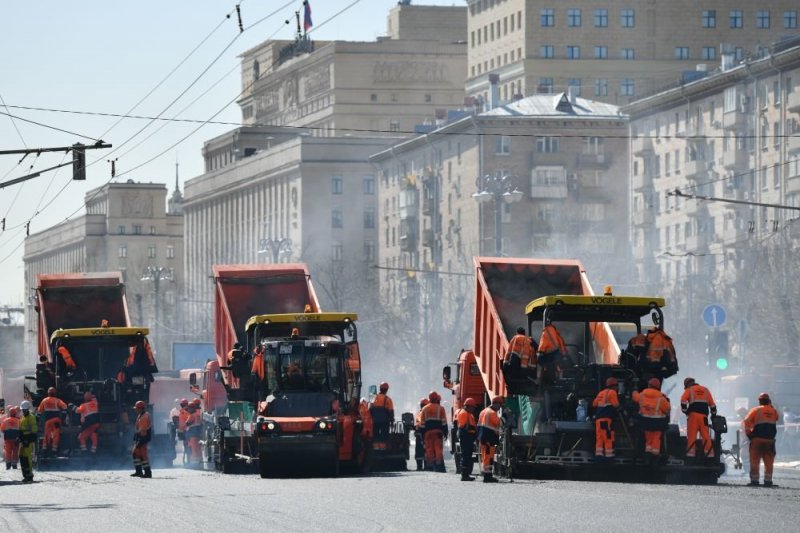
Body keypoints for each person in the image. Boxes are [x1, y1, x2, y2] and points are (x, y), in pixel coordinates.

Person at [743, 392, 779, 487]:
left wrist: (749, 434)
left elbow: (746, 421)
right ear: (769, 401)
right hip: (770, 441)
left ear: (759, 401)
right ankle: (768, 481)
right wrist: (770, 406)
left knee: (755, 461)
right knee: (769, 462)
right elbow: (777, 418)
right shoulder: (773, 411)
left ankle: (754, 481)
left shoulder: (755, 410)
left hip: (757, 440)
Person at [632, 378, 671, 465]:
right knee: (656, 440)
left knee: (648, 440)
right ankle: (654, 458)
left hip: (645, 423)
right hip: (658, 423)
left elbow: (635, 397)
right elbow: (667, 409)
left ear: (649, 385)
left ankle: (647, 457)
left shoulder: (642, 395)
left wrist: (634, 389)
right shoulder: (661, 398)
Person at [680, 377, 717, 459]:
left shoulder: (689, 390)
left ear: (687, 385)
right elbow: (713, 405)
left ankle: (691, 456)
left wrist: (685, 411)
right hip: (704, 417)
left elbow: (683, 400)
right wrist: (713, 415)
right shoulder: (706, 390)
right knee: (706, 435)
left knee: (692, 436)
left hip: (693, 416)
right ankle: (710, 455)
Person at [419, 391, 448, 472]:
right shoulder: (441, 408)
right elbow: (444, 423)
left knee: (429, 449)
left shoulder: (424, 409)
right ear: (436, 398)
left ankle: (430, 466)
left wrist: (422, 435)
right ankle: (439, 466)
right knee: (438, 449)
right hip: (438, 432)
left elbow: (422, 425)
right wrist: (445, 433)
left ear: (430, 398)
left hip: (428, 433)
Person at [593, 377, 620, 459]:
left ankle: (599, 455)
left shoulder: (601, 393)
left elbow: (594, 404)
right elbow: (616, 405)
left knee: (599, 437)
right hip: (606, 419)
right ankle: (609, 456)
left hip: (598, 419)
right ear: (614, 386)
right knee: (608, 437)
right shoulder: (612, 392)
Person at [477, 396, 503, 483]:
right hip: (489, 438)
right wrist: (505, 416)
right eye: (500, 405)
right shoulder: (492, 413)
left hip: (483, 438)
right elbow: (499, 423)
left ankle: (487, 475)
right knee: (488, 458)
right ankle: (487, 477)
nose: (500, 407)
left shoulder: (483, 411)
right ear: (496, 404)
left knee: (485, 457)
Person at [37, 386, 67, 456]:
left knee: (47, 435)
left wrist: (37, 420)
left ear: (48, 393)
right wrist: (63, 418)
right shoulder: (57, 400)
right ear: (55, 393)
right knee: (56, 435)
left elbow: (39, 411)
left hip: (48, 421)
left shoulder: (44, 400)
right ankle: (54, 450)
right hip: (56, 420)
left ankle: (45, 450)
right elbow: (65, 407)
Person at [456, 398, 478, 481]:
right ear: (468, 406)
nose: (473, 409)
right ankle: (464, 475)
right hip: (466, 437)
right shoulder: (463, 413)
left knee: (468, 456)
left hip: (469, 437)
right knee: (465, 456)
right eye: (472, 407)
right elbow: (463, 427)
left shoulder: (469, 414)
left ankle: (466, 474)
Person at [369, 382, 394, 451]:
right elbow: (391, 412)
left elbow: (370, 410)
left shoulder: (373, 397)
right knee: (384, 435)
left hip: (375, 421)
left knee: (376, 434)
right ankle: (383, 449)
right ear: (386, 390)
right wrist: (392, 422)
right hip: (384, 421)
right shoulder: (388, 399)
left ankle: (375, 448)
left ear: (380, 389)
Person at [131, 401, 153, 478]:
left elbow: (143, 430)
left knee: (141, 455)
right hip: (141, 437)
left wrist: (140, 440)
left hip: (143, 438)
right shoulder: (141, 415)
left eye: (137, 408)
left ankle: (147, 473)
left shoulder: (144, 416)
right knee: (136, 454)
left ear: (140, 408)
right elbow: (138, 428)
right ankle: (139, 471)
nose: (136, 410)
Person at [19, 400, 37, 483]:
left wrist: (27, 439)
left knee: (28, 458)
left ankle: (30, 476)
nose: (23, 411)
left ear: (28, 409)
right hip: (24, 440)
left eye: (24, 409)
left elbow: (34, 430)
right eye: (23, 409)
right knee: (22, 456)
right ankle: (25, 475)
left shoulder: (31, 417)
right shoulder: (23, 418)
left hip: (29, 440)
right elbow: (21, 430)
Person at [413, 397, 429, 471]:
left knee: (420, 450)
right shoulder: (425, 412)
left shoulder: (421, 412)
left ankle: (420, 467)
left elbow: (419, 424)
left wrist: (416, 429)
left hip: (421, 433)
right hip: (424, 433)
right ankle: (426, 466)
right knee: (425, 450)